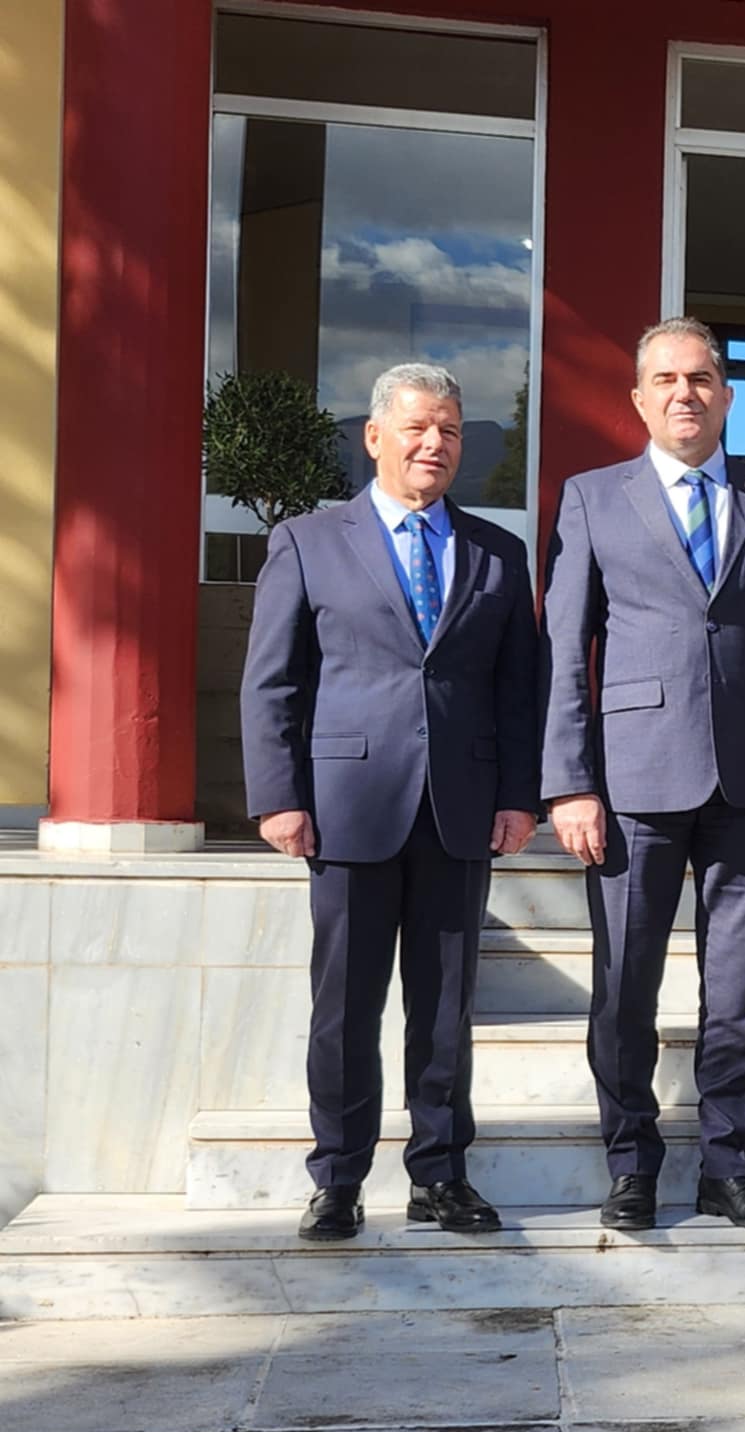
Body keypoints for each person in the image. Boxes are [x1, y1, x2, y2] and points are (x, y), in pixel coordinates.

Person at [539, 317, 745, 1232]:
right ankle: (631, 1163)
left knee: (736, 997)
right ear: (638, 398)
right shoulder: (593, 498)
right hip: (632, 785)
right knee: (626, 989)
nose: (684, 393)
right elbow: (566, 648)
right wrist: (569, 781)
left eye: (701, 378)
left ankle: (730, 1169)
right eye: (665, 379)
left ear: (728, 396)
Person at [241, 362, 541, 1242]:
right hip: (347, 808)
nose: (433, 444)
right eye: (416, 427)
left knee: (445, 1010)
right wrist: (278, 797)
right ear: (374, 437)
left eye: (449, 430)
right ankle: (337, 1179)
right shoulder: (308, 541)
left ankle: (440, 1176)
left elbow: (518, 688)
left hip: (460, 808)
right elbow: (272, 682)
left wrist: (519, 795)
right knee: (345, 1007)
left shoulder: (497, 551)